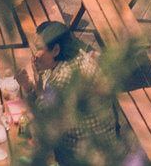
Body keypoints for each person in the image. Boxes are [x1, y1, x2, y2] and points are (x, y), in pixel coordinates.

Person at [22, 20, 116, 166]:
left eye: (39, 48)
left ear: (56, 50)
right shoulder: (70, 56)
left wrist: (31, 86)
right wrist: (37, 77)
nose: (35, 55)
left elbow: (46, 121)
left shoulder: (65, 77)